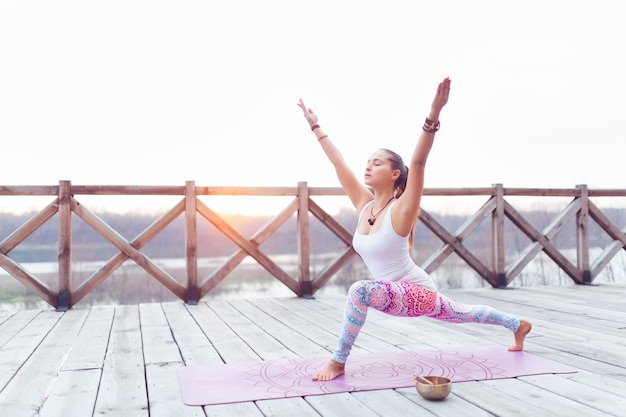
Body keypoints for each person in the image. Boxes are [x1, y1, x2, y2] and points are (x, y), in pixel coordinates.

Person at [297, 77, 532, 382]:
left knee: (360, 289)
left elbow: (418, 162)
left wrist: (434, 114)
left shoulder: (403, 209)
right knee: (463, 313)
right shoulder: (365, 206)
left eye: (377, 163)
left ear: (395, 174)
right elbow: (338, 162)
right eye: (367, 162)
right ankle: (517, 324)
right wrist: (316, 127)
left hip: (417, 292)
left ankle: (338, 362)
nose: (367, 166)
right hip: (395, 295)